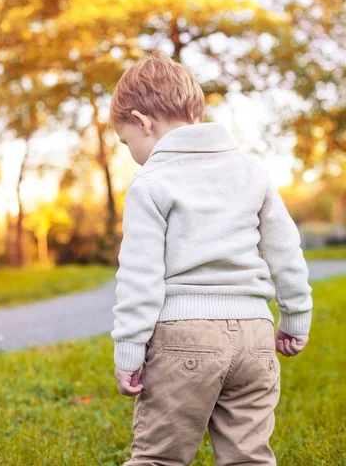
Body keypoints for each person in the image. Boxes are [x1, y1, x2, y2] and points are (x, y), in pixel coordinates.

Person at [109, 50, 313, 466]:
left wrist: (128, 350)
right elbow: (285, 249)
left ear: (143, 122)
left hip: (183, 339)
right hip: (256, 340)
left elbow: (139, 276)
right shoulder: (250, 171)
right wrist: (295, 316)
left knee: (159, 457)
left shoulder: (150, 183)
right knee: (249, 456)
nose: (132, 152)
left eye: (127, 141)